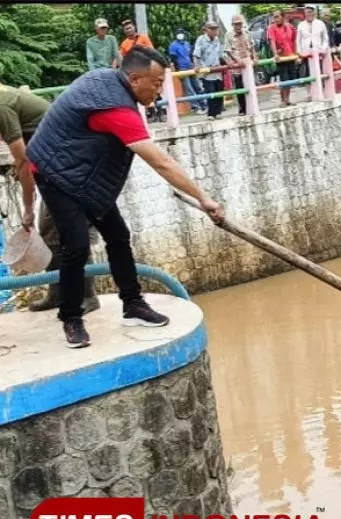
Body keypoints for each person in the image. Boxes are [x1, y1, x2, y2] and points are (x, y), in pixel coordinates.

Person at [25, 46, 225, 348]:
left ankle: (133, 305)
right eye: (156, 83)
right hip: (55, 173)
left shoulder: (108, 82)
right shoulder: (115, 108)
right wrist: (205, 199)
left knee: (118, 235)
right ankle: (72, 319)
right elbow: (161, 162)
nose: (160, 90)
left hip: (83, 172)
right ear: (134, 79)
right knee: (76, 246)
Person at [0, 85, 100, 314]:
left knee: (74, 232)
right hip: (55, 166)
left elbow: (23, 161)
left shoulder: (1, 105)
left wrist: (27, 208)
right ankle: (58, 292)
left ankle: (88, 296)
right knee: (50, 233)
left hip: (73, 165)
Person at [168, 27, 206, 114]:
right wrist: (178, 72)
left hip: (190, 66)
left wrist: (194, 65)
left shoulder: (187, 43)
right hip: (182, 68)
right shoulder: (173, 45)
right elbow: (174, 58)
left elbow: (190, 55)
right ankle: (195, 108)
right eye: (178, 33)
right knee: (189, 89)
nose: (180, 35)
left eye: (181, 33)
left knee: (197, 87)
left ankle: (203, 105)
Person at [225, 14, 256, 116]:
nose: (238, 26)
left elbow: (252, 46)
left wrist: (254, 57)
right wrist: (237, 60)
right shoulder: (228, 35)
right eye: (236, 24)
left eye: (239, 24)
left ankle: (252, 107)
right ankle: (242, 109)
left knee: (250, 86)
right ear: (233, 25)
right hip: (237, 66)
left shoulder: (247, 33)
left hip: (247, 64)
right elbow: (228, 51)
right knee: (240, 88)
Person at [194, 21, 225, 120]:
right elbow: (196, 54)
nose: (214, 31)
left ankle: (218, 112)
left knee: (219, 91)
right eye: (212, 29)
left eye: (215, 29)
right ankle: (211, 114)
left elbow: (221, 54)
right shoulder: (201, 40)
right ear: (206, 30)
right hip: (207, 70)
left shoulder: (217, 39)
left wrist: (228, 63)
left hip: (217, 69)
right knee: (210, 92)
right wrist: (197, 66)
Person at [267, 9, 297, 107]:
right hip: (281, 57)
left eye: (277, 16)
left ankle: (287, 99)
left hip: (290, 56)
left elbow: (294, 40)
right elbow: (272, 41)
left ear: (283, 17)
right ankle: (283, 100)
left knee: (290, 79)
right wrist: (275, 53)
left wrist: (296, 53)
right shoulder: (272, 28)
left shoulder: (290, 27)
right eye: (274, 17)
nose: (275, 19)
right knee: (284, 79)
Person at [297, 4, 329, 77]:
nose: (309, 14)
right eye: (307, 12)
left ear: (314, 13)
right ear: (304, 13)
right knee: (308, 76)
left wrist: (323, 50)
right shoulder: (301, 25)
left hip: (318, 53)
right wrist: (300, 53)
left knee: (319, 74)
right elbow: (298, 40)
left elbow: (325, 39)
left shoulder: (320, 24)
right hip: (306, 54)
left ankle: (321, 88)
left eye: (310, 12)